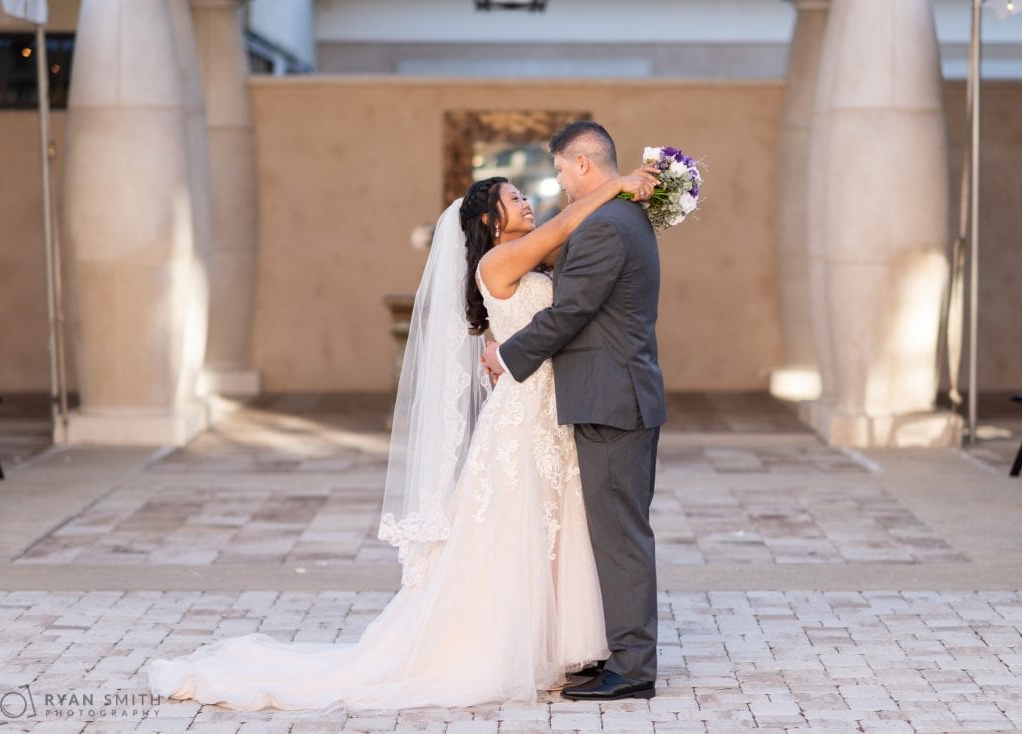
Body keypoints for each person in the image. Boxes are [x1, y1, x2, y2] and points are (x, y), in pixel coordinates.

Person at [144, 161, 658, 711]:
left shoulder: (529, 251)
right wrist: (614, 185)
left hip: (551, 406)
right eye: (515, 197)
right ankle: (506, 646)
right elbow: (563, 229)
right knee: (517, 530)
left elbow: (571, 251)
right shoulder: (500, 260)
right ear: (489, 217)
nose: (529, 203)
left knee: (555, 532)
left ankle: (560, 645)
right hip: (522, 415)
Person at [482, 121, 666, 702]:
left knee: (620, 536)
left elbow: (570, 314)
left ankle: (633, 669)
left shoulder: (605, 227)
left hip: (612, 398)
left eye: (559, 170)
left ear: (583, 164)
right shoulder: (620, 218)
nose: (557, 184)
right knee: (613, 532)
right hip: (615, 392)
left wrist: (507, 357)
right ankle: (619, 654)